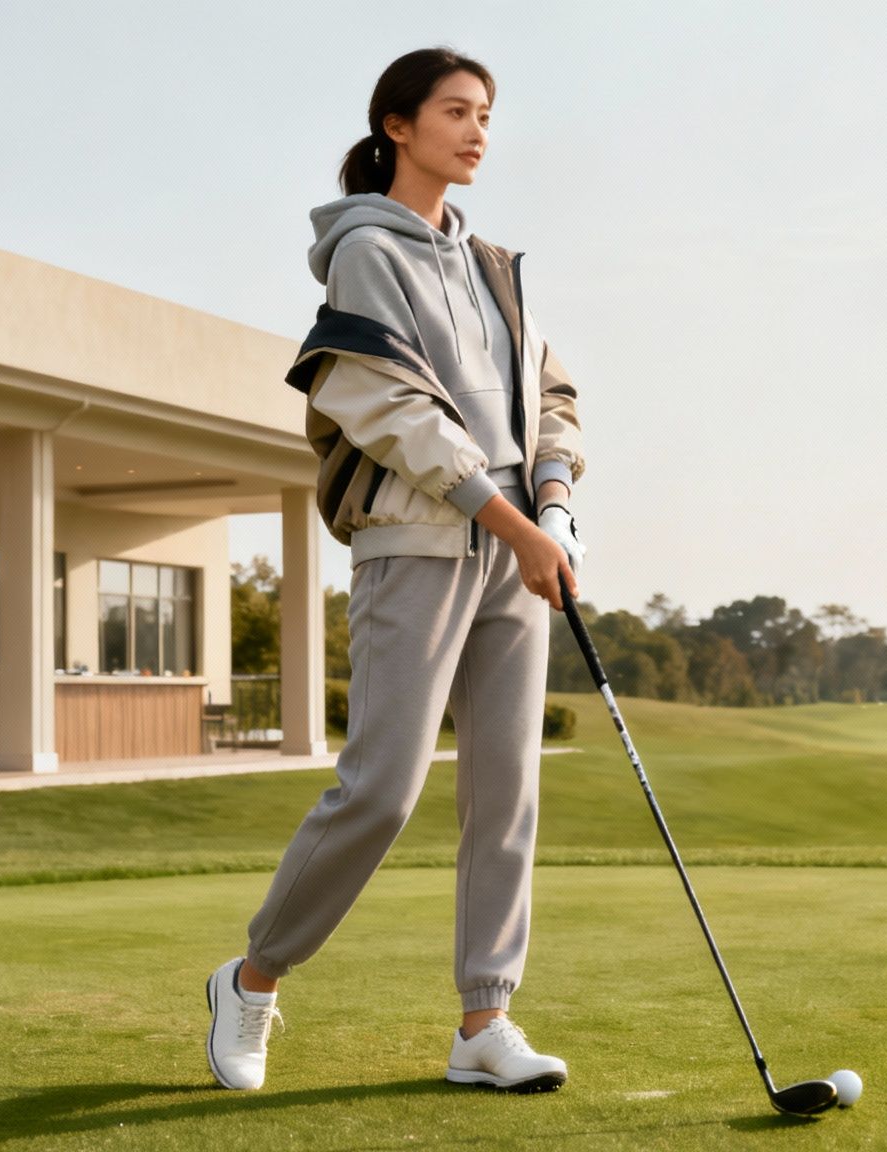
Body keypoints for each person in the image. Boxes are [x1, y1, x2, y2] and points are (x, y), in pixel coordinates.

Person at [205, 46, 588, 1094]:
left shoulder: (494, 265)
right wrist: (510, 520)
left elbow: (549, 399)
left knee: (506, 793)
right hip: (420, 547)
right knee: (379, 789)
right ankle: (251, 981)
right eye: (455, 112)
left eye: (484, 115)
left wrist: (551, 507)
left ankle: (483, 1021)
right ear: (396, 126)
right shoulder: (364, 253)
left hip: (518, 551)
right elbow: (388, 409)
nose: (475, 132)